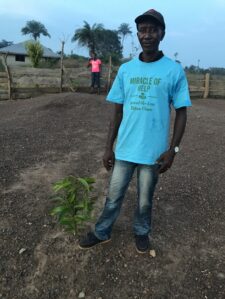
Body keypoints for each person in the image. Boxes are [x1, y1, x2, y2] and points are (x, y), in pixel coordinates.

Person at [79, 9, 192, 253]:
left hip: (153, 154)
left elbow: (182, 112)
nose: (147, 35)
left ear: (162, 33)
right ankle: (102, 231)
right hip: (125, 150)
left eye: (153, 30)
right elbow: (117, 112)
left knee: (144, 200)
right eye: (143, 30)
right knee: (113, 196)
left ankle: (141, 232)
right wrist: (108, 146)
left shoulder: (173, 71)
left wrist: (173, 149)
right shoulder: (126, 70)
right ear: (138, 35)